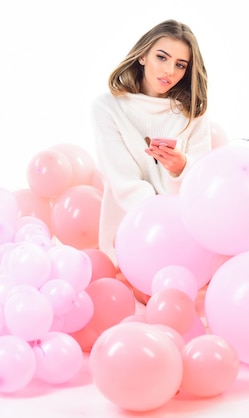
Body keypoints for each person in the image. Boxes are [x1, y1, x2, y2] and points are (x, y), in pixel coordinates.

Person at [90, 19, 212, 264]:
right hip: (130, 236)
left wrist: (180, 168)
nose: (169, 71)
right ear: (143, 55)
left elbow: (201, 184)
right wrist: (161, 225)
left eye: (180, 65)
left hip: (186, 238)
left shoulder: (192, 114)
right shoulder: (108, 108)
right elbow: (124, 183)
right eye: (162, 57)